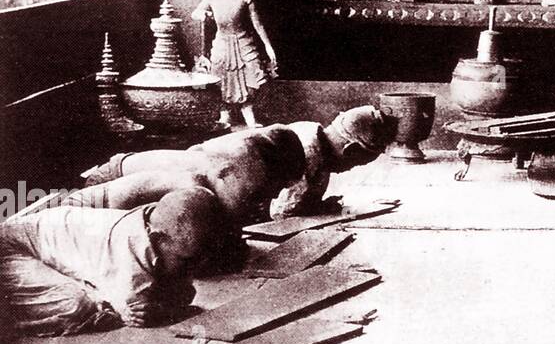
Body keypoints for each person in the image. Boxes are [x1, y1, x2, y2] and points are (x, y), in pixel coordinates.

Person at [40, 106, 396, 226]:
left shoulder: (292, 137)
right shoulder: (286, 162)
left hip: (137, 175)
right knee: (48, 217)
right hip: (115, 181)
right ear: (351, 150)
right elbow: (275, 216)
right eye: (366, 158)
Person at [0, 188, 229, 337]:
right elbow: (138, 312)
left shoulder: (157, 223)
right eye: (186, 259)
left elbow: (183, 291)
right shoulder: (129, 254)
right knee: (78, 306)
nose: (194, 267)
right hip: (10, 247)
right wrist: (160, 311)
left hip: (45, 237)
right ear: (158, 238)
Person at [192, 0, 277, 130]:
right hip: (222, 43)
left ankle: (250, 118)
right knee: (220, 78)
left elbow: (258, 24)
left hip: (244, 42)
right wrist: (202, 15)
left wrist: (268, 46)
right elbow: (196, 12)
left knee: (250, 78)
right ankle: (225, 116)